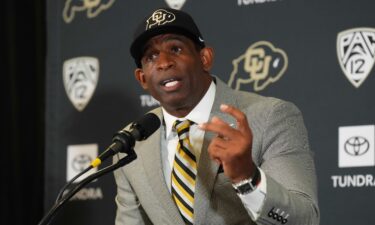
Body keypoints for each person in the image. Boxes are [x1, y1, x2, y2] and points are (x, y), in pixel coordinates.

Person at [113, 7, 319, 225]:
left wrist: (247, 178)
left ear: (205, 58)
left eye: (175, 49)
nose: (164, 62)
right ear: (142, 78)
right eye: (151, 56)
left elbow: (304, 219)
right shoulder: (132, 142)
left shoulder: (271, 117)